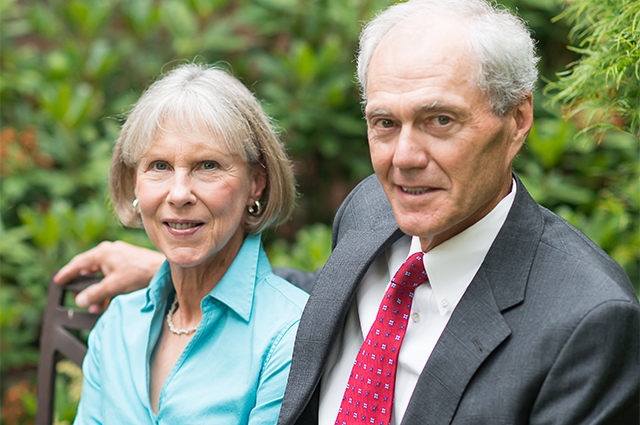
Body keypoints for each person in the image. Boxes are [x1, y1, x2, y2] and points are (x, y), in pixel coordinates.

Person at [56, 1, 639, 424]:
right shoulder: (372, 211)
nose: (404, 157)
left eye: (439, 120)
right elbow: (323, 295)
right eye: (385, 123)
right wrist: (182, 270)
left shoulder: (586, 321)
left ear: (517, 120)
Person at [71, 63, 308, 424]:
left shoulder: (290, 332)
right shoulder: (117, 324)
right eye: (159, 166)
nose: (179, 194)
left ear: (256, 183)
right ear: (134, 181)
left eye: (207, 165)